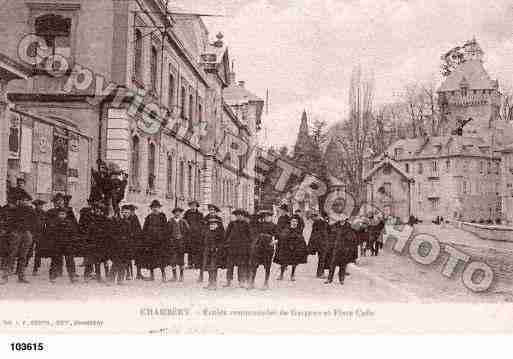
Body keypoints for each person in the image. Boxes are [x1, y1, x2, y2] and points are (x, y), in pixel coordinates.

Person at [0, 192, 37, 284]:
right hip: (16, 233)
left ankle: (21, 276)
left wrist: (31, 233)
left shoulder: (31, 210)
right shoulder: (14, 210)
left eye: (27, 200)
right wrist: (11, 231)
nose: (25, 202)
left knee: (23, 256)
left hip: (27, 234)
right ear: (19, 201)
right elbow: (8, 222)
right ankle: (5, 276)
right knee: (11, 254)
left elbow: (35, 223)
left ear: (29, 201)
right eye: (23, 200)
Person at [46, 207, 78, 283]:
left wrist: (72, 242)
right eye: (60, 214)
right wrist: (52, 243)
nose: (62, 215)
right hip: (57, 245)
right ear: (58, 215)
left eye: (63, 214)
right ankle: (53, 276)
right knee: (55, 261)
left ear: (66, 215)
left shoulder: (70, 223)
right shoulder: (54, 223)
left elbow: (73, 234)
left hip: (67, 245)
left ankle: (72, 276)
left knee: (70, 261)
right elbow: (50, 234)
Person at [248, 210, 276, 290]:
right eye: (265, 216)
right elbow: (252, 221)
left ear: (271, 217)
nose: (267, 218)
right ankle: (252, 283)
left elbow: (278, 236)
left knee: (267, 266)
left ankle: (266, 283)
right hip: (259, 247)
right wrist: (258, 215)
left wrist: (274, 242)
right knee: (254, 265)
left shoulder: (274, 225)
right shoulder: (259, 224)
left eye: (269, 216)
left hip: (268, 247)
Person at [274, 215, 308, 281]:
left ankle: (292, 275)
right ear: (290, 222)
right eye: (293, 221)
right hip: (287, 248)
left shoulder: (298, 230)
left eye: (296, 221)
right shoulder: (287, 229)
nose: (294, 223)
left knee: (294, 263)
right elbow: (282, 237)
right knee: (283, 262)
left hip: (295, 249)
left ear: (297, 223)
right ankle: (281, 275)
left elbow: (301, 239)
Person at [325, 215, 357, 285]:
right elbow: (329, 231)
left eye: (343, 217)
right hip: (336, 248)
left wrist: (348, 247)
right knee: (332, 264)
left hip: (344, 249)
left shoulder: (349, 227)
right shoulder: (335, 225)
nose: (342, 219)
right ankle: (329, 279)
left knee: (343, 265)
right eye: (340, 217)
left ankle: (341, 279)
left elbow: (352, 238)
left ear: (345, 219)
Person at [224, 209, 252, 288]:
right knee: (230, 265)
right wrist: (226, 244)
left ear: (243, 216)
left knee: (241, 265)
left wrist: (247, 247)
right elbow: (226, 235)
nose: (239, 217)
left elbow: (250, 237)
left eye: (240, 215)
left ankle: (241, 281)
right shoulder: (232, 224)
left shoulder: (246, 224)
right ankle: (228, 281)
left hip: (242, 249)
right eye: (237, 215)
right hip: (232, 248)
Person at [141, 200, 168, 282]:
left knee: (161, 259)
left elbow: (165, 228)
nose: (155, 209)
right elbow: (145, 229)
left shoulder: (162, 216)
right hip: (151, 241)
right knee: (151, 259)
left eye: (156, 207)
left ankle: (164, 276)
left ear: (159, 208)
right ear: (151, 208)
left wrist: (164, 238)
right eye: (153, 207)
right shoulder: (149, 217)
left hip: (160, 241)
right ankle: (152, 276)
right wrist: (145, 239)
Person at [107, 206, 134, 285]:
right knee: (116, 262)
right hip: (118, 246)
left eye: (127, 213)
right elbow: (113, 233)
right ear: (121, 212)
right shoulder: (117, 222)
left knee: (124, 263)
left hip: (126, 246)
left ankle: (120, 279)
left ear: (129, 214)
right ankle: (111, 279)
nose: (125, 214)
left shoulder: (129, 222)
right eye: (124, 212)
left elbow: (130, 235)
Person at [84, 203, 110, 282]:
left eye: (100, 210)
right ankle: (93, 276)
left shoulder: (106, 220)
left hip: (103, 243)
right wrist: (88, 242)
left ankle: (106, 276)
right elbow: (88, 232)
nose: (98, 212)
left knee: (104, 260)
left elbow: (108, 231)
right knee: (94, 260)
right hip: (94, 243)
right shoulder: (91, 219)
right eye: (96, 210)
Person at [198, 204, 224, 282]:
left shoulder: (219, 220)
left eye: (213, 210)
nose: (211, 212)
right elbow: (202, 232)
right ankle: (208, 280)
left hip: (215, 247)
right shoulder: (205, 219)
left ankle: (213, 281)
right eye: (210, 210)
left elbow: (221, 234)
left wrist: (219, 246)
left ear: (216, 212)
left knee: (214, 264)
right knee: (207, 263)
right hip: (207, 246)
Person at [167, 207, 189, 282]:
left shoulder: (183, 221)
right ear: (174, 213)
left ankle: (181, 276)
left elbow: (187, 232)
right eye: (176, 212)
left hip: (181, 243)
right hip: (173, 243)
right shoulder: (170, 221)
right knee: (173, 259)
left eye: (179, 212)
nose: (177, 213)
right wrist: (170, 239)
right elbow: (168, 232)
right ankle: (174, 276)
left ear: (181, 213)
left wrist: (183, 239)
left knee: (181, 259)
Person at [202, 217, 224, 290]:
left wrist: (218, 248)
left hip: (215, 253)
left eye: (214, 224)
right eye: (210, 224)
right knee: (208, 268)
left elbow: (221, 243)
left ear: (217, 225)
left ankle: (214, 283)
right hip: (208, 253)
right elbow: (205, 242)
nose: (212, 226)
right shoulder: (207, 232)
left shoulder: (219, 233)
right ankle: (210, 283)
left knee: (213, 268)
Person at [307, 211, 329, 278]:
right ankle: (320, 273)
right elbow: (317, 234)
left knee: (322, 258)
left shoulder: (320, 222)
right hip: (322, 244)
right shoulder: (320, 222)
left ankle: (320, 272)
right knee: (322, 258)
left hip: (322, 243)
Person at [183, 200, 203, 269]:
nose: (193, 207)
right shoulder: (187, 213)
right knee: (190, 249)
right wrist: (186, 225)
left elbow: (201, 224)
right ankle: (190, 264)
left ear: (197, 206)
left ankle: (197, 264)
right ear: (190, 206)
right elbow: (183, 221)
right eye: (191, 205)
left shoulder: (200, 214)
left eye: (194, 205)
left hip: (197, 235)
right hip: (189, 234)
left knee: (197, 249)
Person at [31, 199, 47, 276]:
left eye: (41, 205)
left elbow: (45, 224)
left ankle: (35, 269)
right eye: (38, 205)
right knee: (28, 251)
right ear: (35, 206)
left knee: (38, 253)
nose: (39, 207)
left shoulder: (44, 213)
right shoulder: (32, 212)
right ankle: (21, 268)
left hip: (40, 234)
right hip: (32, 233)